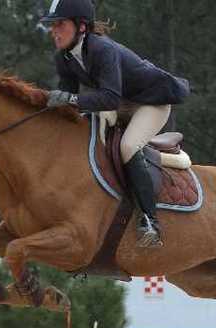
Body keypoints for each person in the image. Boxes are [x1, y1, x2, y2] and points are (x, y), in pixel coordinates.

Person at [41, 0, 190, 248]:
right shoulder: (64, 58)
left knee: (128, 146)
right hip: (120, 101)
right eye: (51, 25)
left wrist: (72, 99)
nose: (54, 31)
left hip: (151, 102)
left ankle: (150, 222)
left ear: (81, 27)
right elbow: (69, 105)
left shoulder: (103, 49)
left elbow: (106, 96)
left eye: (60, 24)